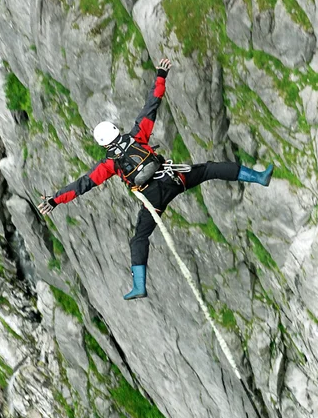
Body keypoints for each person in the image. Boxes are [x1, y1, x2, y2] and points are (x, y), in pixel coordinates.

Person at [38, 59, 273, 300]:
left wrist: (55, 200)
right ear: (117, 130)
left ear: (102, 144)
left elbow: (82, 185)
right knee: (210, 169)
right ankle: (258, 177)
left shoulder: (108, 165)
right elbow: (152, 104)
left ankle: (139, 285)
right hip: (174, 177)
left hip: (153, 197)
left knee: (139, 238)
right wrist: (161, 74)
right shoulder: (137, 136)